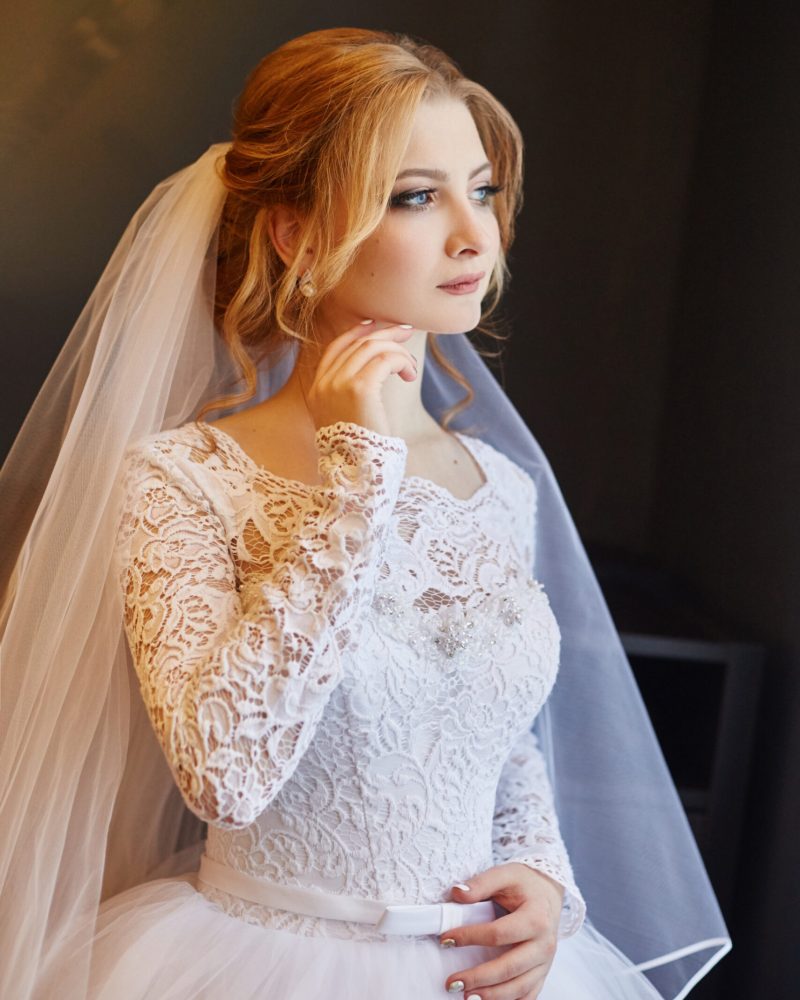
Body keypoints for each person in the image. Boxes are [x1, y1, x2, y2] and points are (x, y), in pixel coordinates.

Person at [0, 27, 730, 1000]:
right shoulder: (181, 478)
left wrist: (541, 878)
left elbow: (499, 725)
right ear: (295, 233)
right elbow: (225, 772)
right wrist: (357, 482)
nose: (474, 235)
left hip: (480, 974)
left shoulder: (496, 484)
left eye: (480, 189)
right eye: (415, 196)